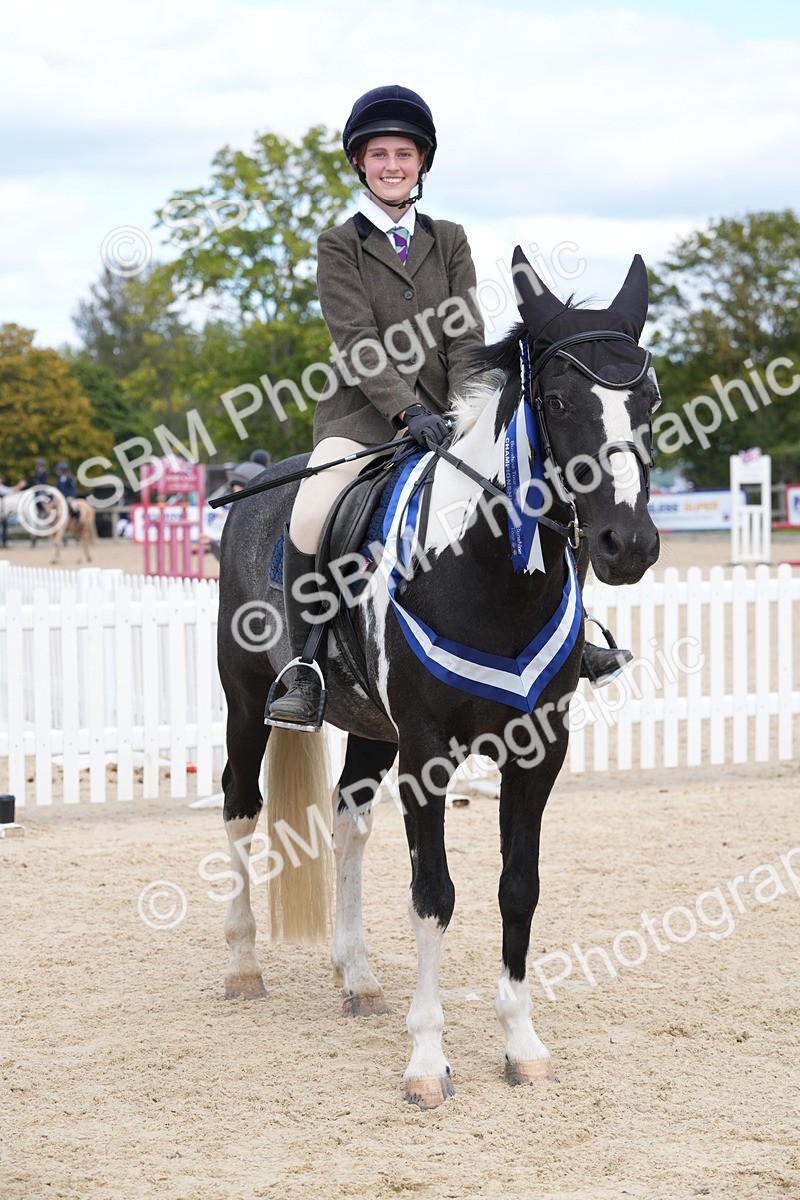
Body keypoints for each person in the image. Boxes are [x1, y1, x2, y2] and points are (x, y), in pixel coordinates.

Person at [267, 84, 484, 728]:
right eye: (380, 154)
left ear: (423, 162)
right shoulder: (338, 245)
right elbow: (357, 341)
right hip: (363, 423)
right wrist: (403, 412)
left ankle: (568, 635)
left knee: (529, 481)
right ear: (360, 163)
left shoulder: (450, 239)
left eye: (405, 154)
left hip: (449, 419)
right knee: (310, 515)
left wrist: (470, 410)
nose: (393, 165)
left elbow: (467, 333)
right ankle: (306, 664)